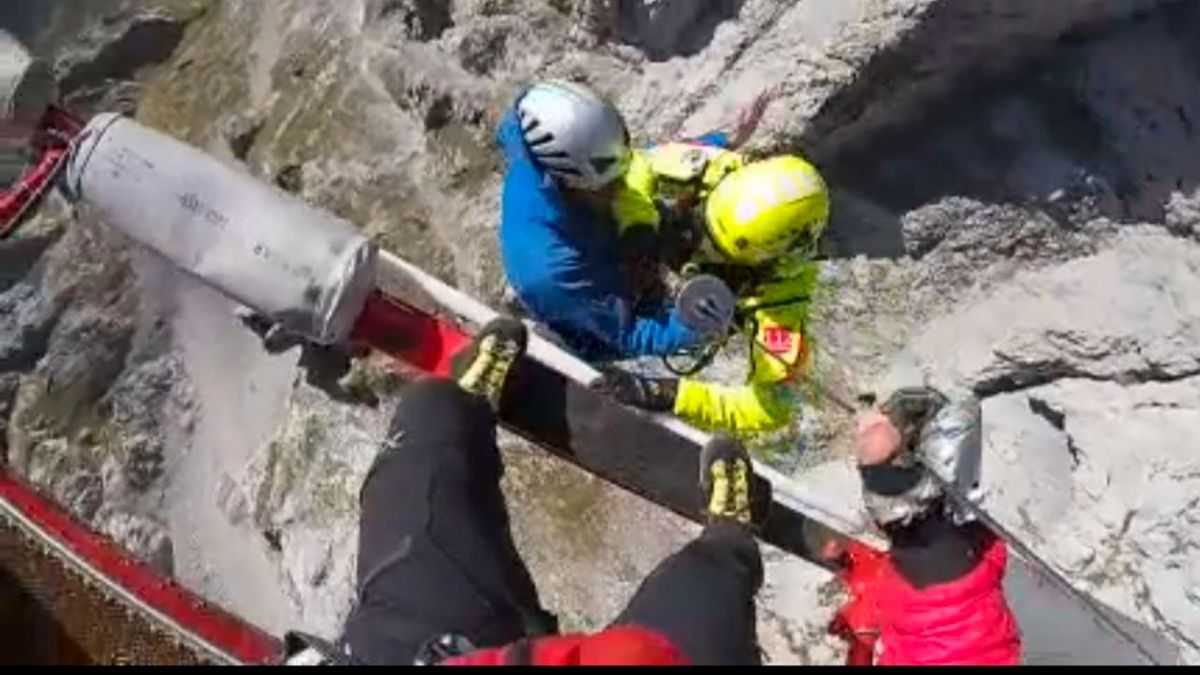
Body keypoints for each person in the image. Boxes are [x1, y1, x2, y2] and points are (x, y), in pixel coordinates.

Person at [284, 317, 1019, 666]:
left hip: (407, 655)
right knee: (709, 583)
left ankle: (463, 403)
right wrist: (928, 535)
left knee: (423, 450)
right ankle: (728, 531)